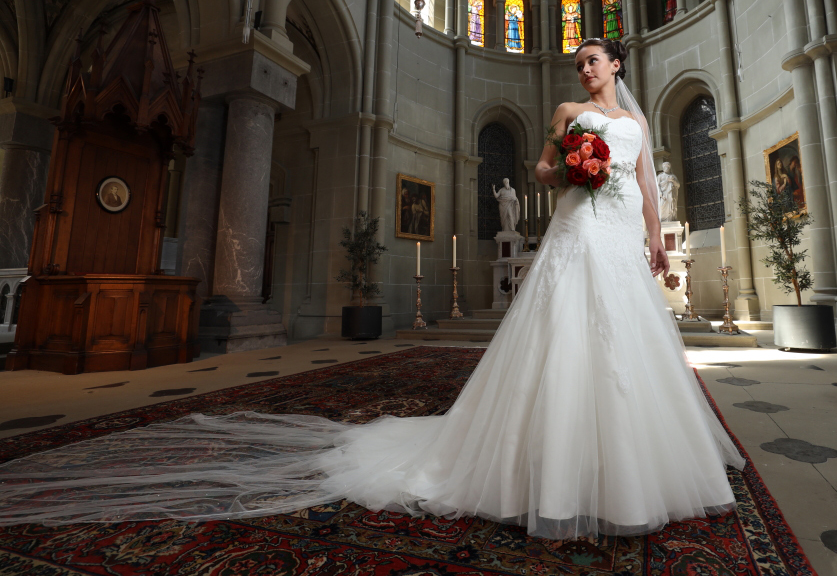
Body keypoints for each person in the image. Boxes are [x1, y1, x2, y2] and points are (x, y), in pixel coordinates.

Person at [0, 39, 743, 540]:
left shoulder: (637, 122)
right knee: (565, 337)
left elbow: (646, 184)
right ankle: (544, 463)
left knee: (629, 344)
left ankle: (629, 466)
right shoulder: (562, 116)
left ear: (616, 64)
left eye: (593, 61)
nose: (584, 71)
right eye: (578, 63)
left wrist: (653, 238)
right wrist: (568, 168)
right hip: (577, 229)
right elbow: (544, 172)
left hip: (618, 236)